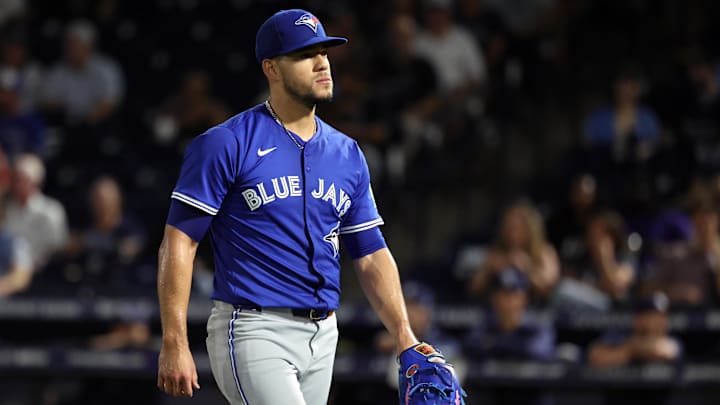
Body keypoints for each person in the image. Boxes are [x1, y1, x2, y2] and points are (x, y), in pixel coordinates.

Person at [155, 9, 454, 404]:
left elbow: (370, 253)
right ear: (271, 68)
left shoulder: (347, 153)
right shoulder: (226, 143)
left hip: (324, 333)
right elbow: (179, 241)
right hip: (253, 328)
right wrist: (174, 340)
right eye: (304, 54)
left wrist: (404, 338)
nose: (321, 64)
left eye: (325, 53)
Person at [463, 266, 556, 405]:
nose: (508, 302)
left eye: (514, 294)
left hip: (530, 394)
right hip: (494, 394)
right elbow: (470, 345)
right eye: (503, 294)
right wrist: (517, 345)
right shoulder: (485, 324)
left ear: (525, 298)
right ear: (494, 298)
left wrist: (495, 344)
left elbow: (539, 352)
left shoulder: (537, 325)